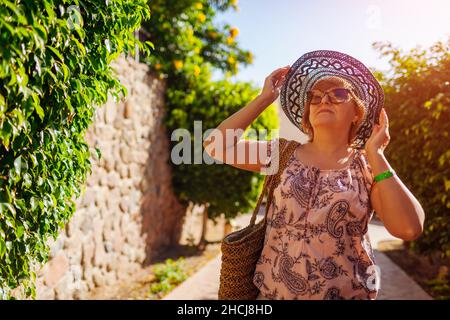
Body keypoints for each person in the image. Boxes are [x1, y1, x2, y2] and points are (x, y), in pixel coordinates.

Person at [204, 50, 425, 300]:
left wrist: (377, 154)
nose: (324, 100)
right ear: (308, 113)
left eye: (338, 94)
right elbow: (216, 146)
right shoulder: (281, 153)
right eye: (315, 97)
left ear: (357, 113)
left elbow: (409, 228)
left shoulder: (369, 167)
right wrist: (264, 99)